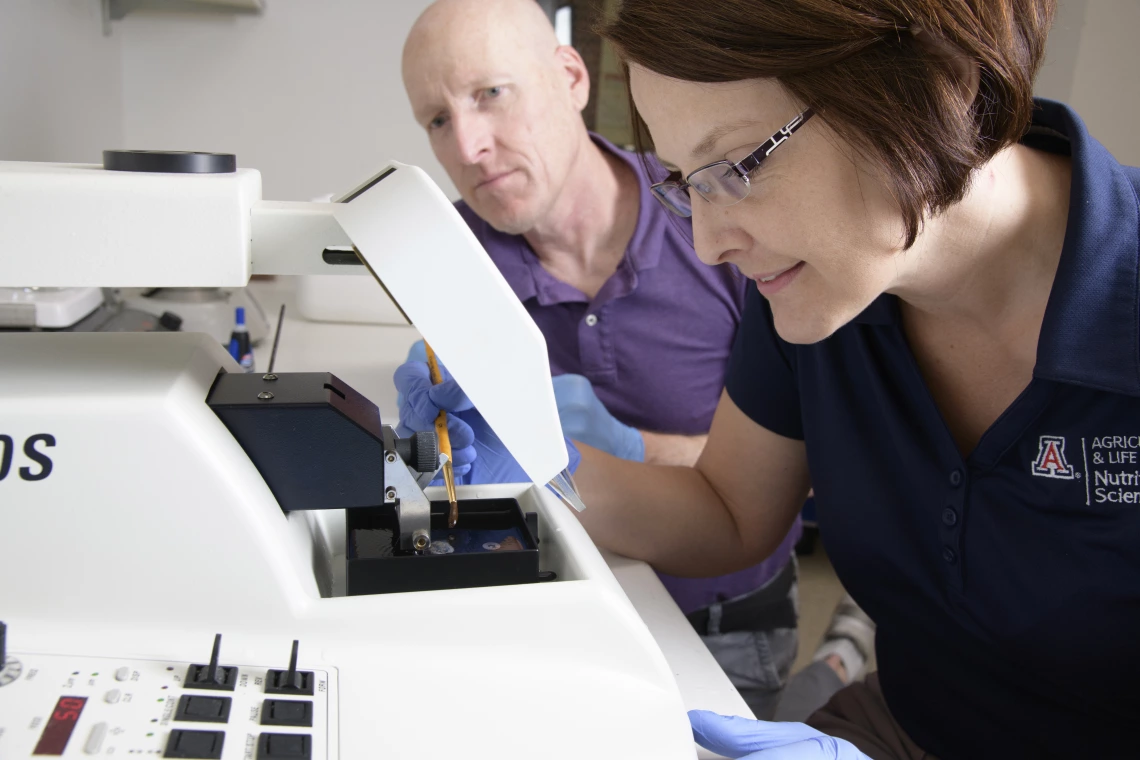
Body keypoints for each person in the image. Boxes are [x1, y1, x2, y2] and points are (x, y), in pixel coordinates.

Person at [395, 0, 1140, 757]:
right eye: (687, 183)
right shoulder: (824, 290)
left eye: (740, 165)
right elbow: (730, 511)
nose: (710, 244)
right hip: (913, 723)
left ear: (930, 84)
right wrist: (543, 469)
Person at [398, 0, 868, 720]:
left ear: (570, 76)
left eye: (490, 94)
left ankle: (843, 655)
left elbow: (822, 481)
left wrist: (629, 448)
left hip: (725, 618)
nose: (467, 145)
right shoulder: (452, 264)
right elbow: (468, 497)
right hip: (560, 613)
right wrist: (430, 465)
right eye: (437, 119)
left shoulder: (720, 210)